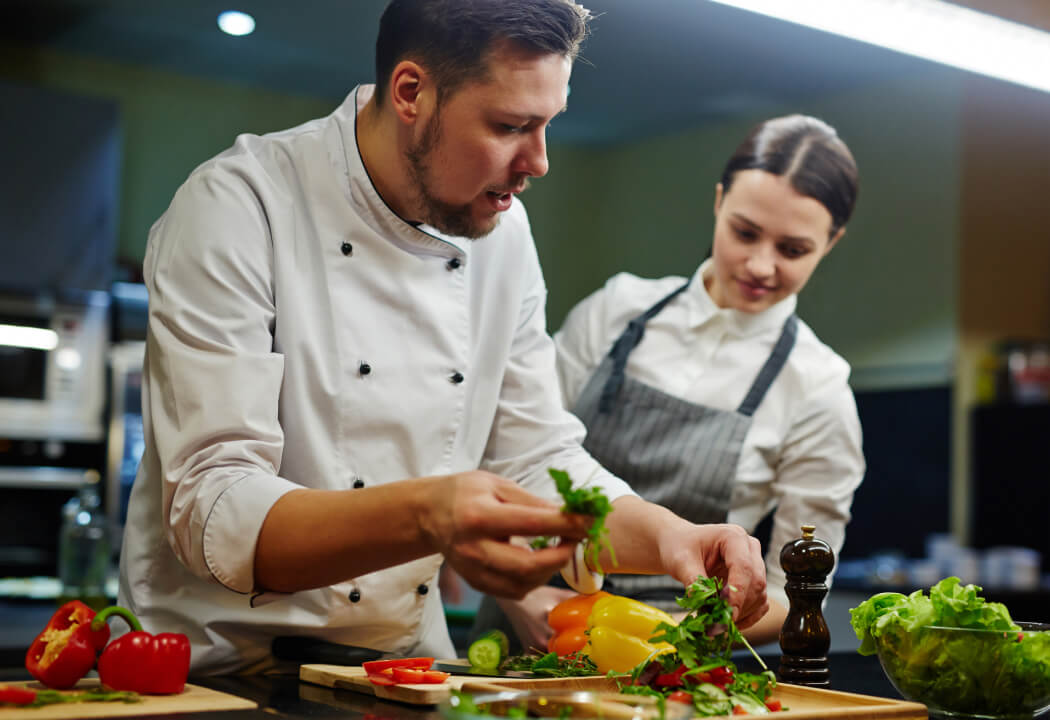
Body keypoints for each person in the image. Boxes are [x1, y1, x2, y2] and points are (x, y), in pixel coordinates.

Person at [118, 0, 769, 675]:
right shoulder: (238, 207)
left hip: (399, 672)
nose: (540, 162)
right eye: (512, 125)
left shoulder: (503, 233)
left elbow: (537, 458)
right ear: (411, 93)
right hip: (216, 675)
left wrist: (673, 537)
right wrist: (431, 513)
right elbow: (215, 509)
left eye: (548, 124)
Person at [484, 114, 865, 651]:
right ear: (718, 202)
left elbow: (797, 594)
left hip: (670, 660)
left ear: (832, 242)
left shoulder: (820, 391)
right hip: (524, 618)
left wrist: (664, 638)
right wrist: (518, 598)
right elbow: (509, 456)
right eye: (745, 232)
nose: (760, 265)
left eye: (793, 250)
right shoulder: (616, 312)